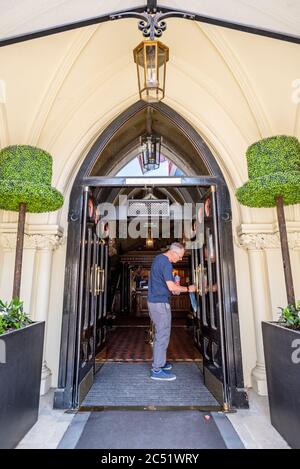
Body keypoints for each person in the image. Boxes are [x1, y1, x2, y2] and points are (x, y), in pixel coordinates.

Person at [147, 242, 196, 381]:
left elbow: (169, 286)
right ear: (173, 252)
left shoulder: (158, 259)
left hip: (155, 302)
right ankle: (156, 370)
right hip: (160, 304)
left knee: (161, 333)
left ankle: (160, 363)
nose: (180, 259)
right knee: (162, 335)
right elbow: (170, 286)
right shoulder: (167, 263)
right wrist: (188, 289)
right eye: (180, 256)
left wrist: (175, 288)